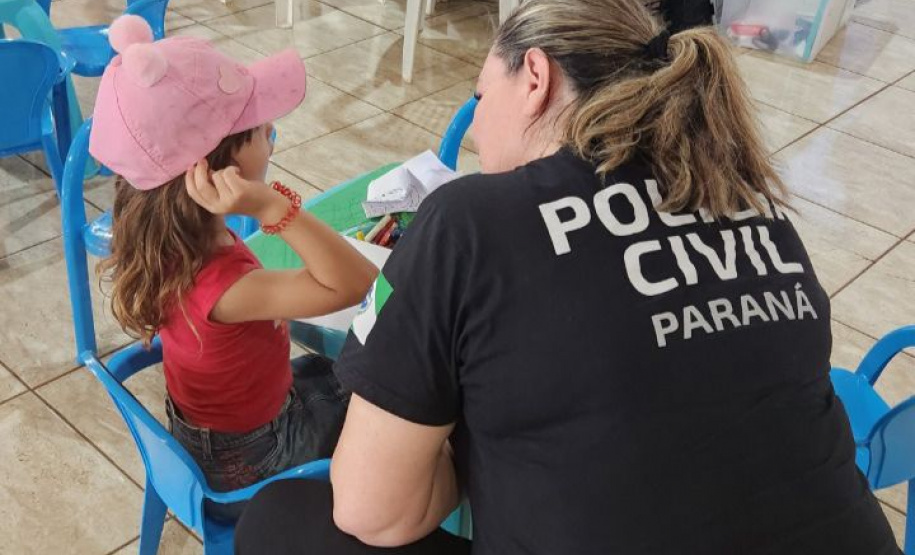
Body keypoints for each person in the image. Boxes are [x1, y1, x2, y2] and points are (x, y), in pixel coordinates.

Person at [235, 0, 903, 553]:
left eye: (478, 95)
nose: (476, 129)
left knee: (281, 519)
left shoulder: (469, 219)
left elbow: (375, 512)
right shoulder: (751, 203)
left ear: (534, 76)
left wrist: (466, 450)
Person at [91, 15, 376, 520]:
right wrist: (271, 208)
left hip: (217, 430)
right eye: (263, 131)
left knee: (340, 368)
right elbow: (358, 281)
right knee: (393, 397)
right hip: (253, 460)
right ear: (217, 170)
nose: (272, 134)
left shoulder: (165, 239)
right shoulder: (227, 287)